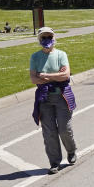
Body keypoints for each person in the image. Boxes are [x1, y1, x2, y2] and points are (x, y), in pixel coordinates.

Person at [30, 27, 77, 174]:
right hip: (44, 98)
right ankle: (55, 162)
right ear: (39, 40)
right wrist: (55, 75)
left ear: (54, 38)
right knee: (49, 132)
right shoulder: (35, 57)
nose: (46, 40)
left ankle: (71, 150)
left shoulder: (61, 55)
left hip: (62, 96)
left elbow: (66, 76)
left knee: (64, 129)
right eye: (43, 37)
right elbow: (33, 79)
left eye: (49, 37)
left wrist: (44, 75)